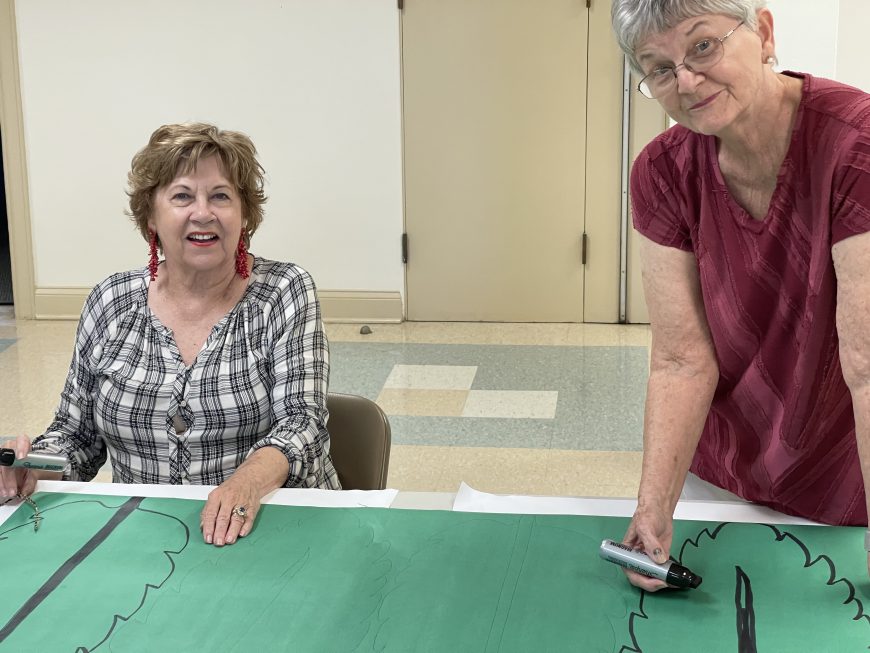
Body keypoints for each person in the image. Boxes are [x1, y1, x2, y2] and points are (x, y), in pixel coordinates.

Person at [610, 0, 870, 590]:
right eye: (660, 68)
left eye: (703, 45)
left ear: (764, 32)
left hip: (849, 475)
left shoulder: (857, 145)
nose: (687, 80)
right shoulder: (662, 173)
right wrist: (651, 520)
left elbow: (867, 366)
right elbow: (680, 360)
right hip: (728, 473)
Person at [0, 123, 341, 546]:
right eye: (182, 196)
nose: (203, 213)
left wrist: (247, 481)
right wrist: (34, 465)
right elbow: (76, 436)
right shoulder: (112, 300)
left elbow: (301, 423)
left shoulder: (283, 291)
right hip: (146, 537)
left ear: (245, 213)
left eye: (221, 196)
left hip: (269, 529)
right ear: (151, 216)